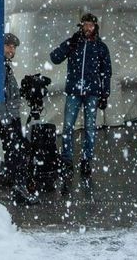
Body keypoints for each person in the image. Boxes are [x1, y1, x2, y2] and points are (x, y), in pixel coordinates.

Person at [50, 13, 112, 191]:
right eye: (85, 25)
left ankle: (86, 160)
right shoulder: (74, 43)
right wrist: (70, 43)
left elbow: (106, 72)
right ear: (81, 26)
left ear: (96, 27)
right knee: (68, 127)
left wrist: (104, 94)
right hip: (74, 91)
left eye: (91, 25)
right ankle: (67, 160)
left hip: (92, 93)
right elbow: (54, 58)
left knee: (90, 128)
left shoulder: (101, 47)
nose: (88, 28)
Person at [0, 32, 40, 205]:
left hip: (9, 117)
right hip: (7, 118)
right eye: (8, 45)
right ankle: (19, 190)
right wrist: (6, 119)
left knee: (16, 152)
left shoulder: (4, 65)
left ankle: (18, 188)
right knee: (16, 153)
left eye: (13, 46)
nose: (11, 49)